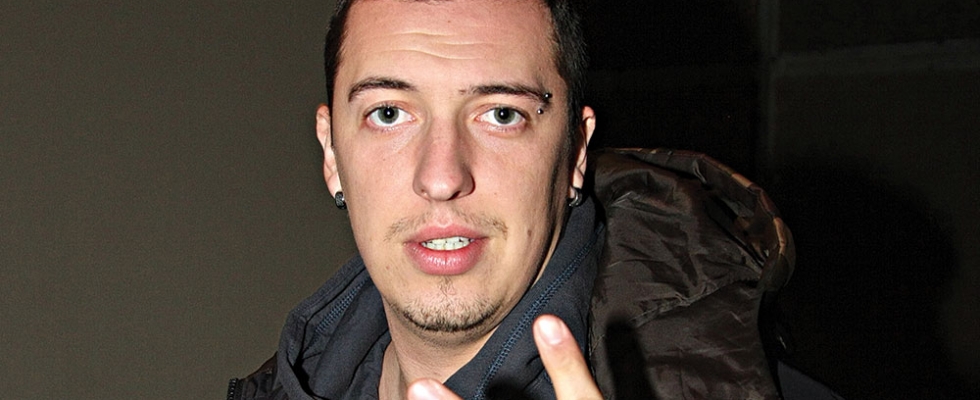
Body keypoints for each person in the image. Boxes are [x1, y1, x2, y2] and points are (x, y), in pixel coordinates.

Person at [229, 0, 818, 399]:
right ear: (332, 153)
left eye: (501, 115)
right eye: (388, 113)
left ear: (576, 153)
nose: (441, 177)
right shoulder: (283, 384)